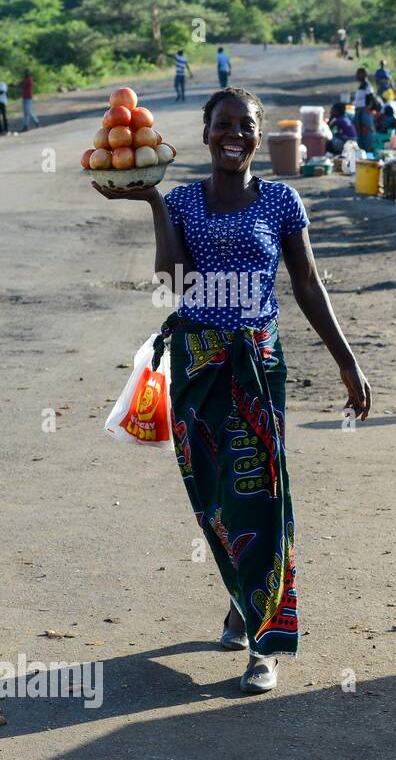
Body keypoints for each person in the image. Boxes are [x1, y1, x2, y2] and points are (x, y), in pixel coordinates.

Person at [92, 87, 371, 693]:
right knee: (215, 497)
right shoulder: (185, 202)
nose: (233, 135)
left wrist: (347, 362)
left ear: (258, 135)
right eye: (222, 125)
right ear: (205, 133)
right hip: (198, 369)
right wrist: (154, 206)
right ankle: (241, 600)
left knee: (261, 493)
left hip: (258, 367)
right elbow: (172, 282)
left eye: (244, 126)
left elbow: (307, 285)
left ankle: (265, 644)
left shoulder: (281, 202)